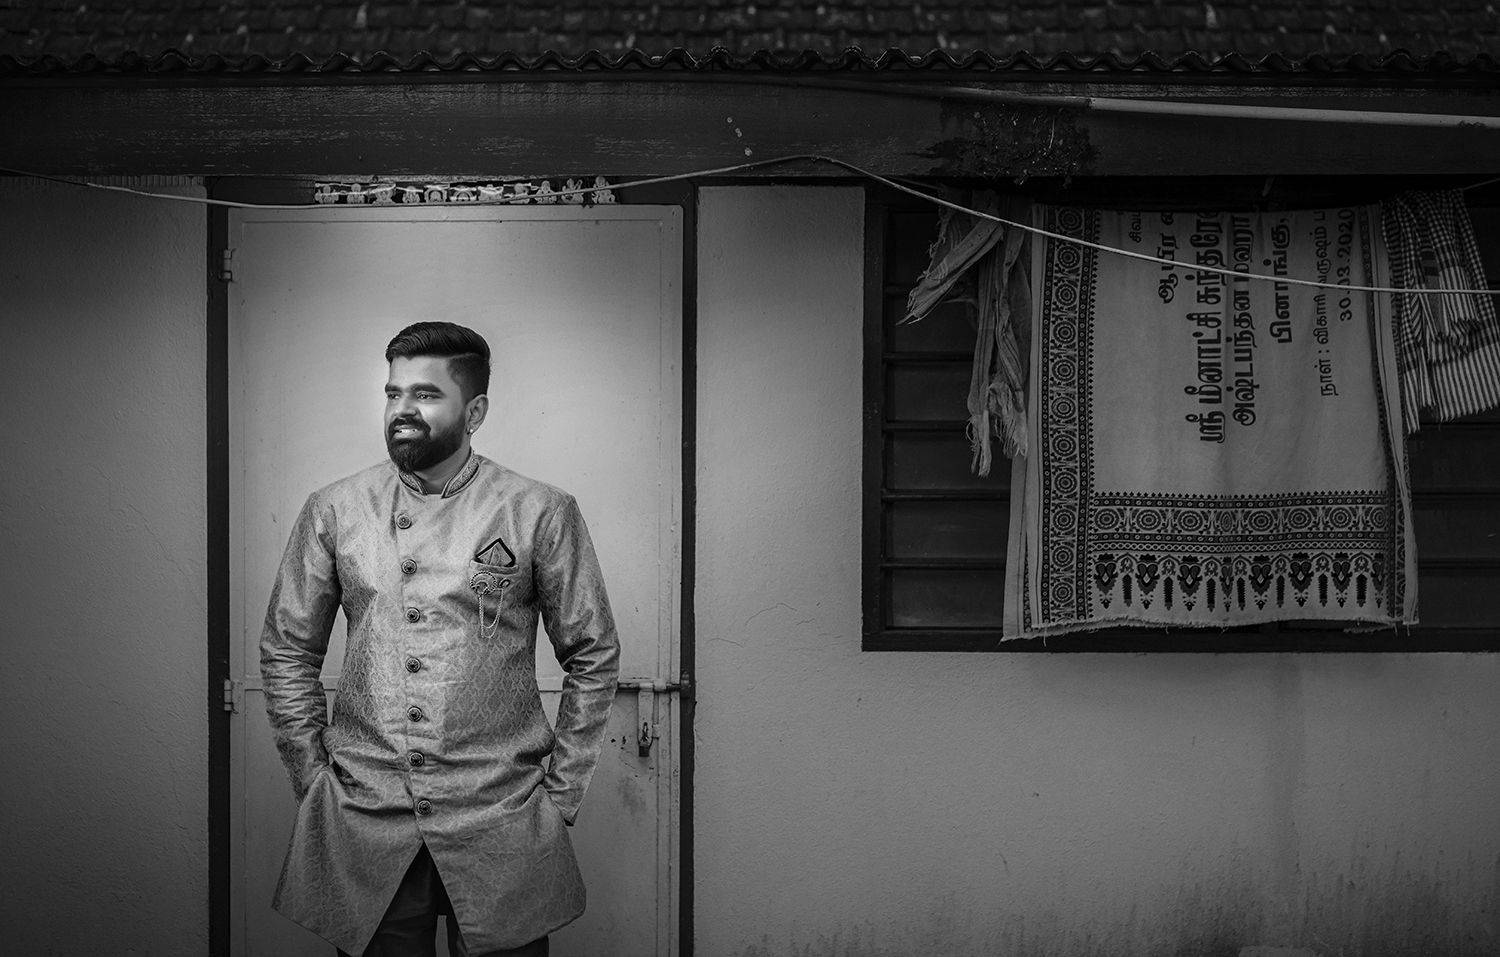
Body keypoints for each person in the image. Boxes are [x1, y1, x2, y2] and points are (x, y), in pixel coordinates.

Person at [260, 321, 620, 957]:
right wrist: (313, 776)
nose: (403, 409)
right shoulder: (335, 509)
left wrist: (561, 794)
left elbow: (593, 654)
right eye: (394, 393)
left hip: (501, 813)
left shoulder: (538, 510)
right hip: (367, 812)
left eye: (426, 395)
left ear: (474, 411)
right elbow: (287, 649)